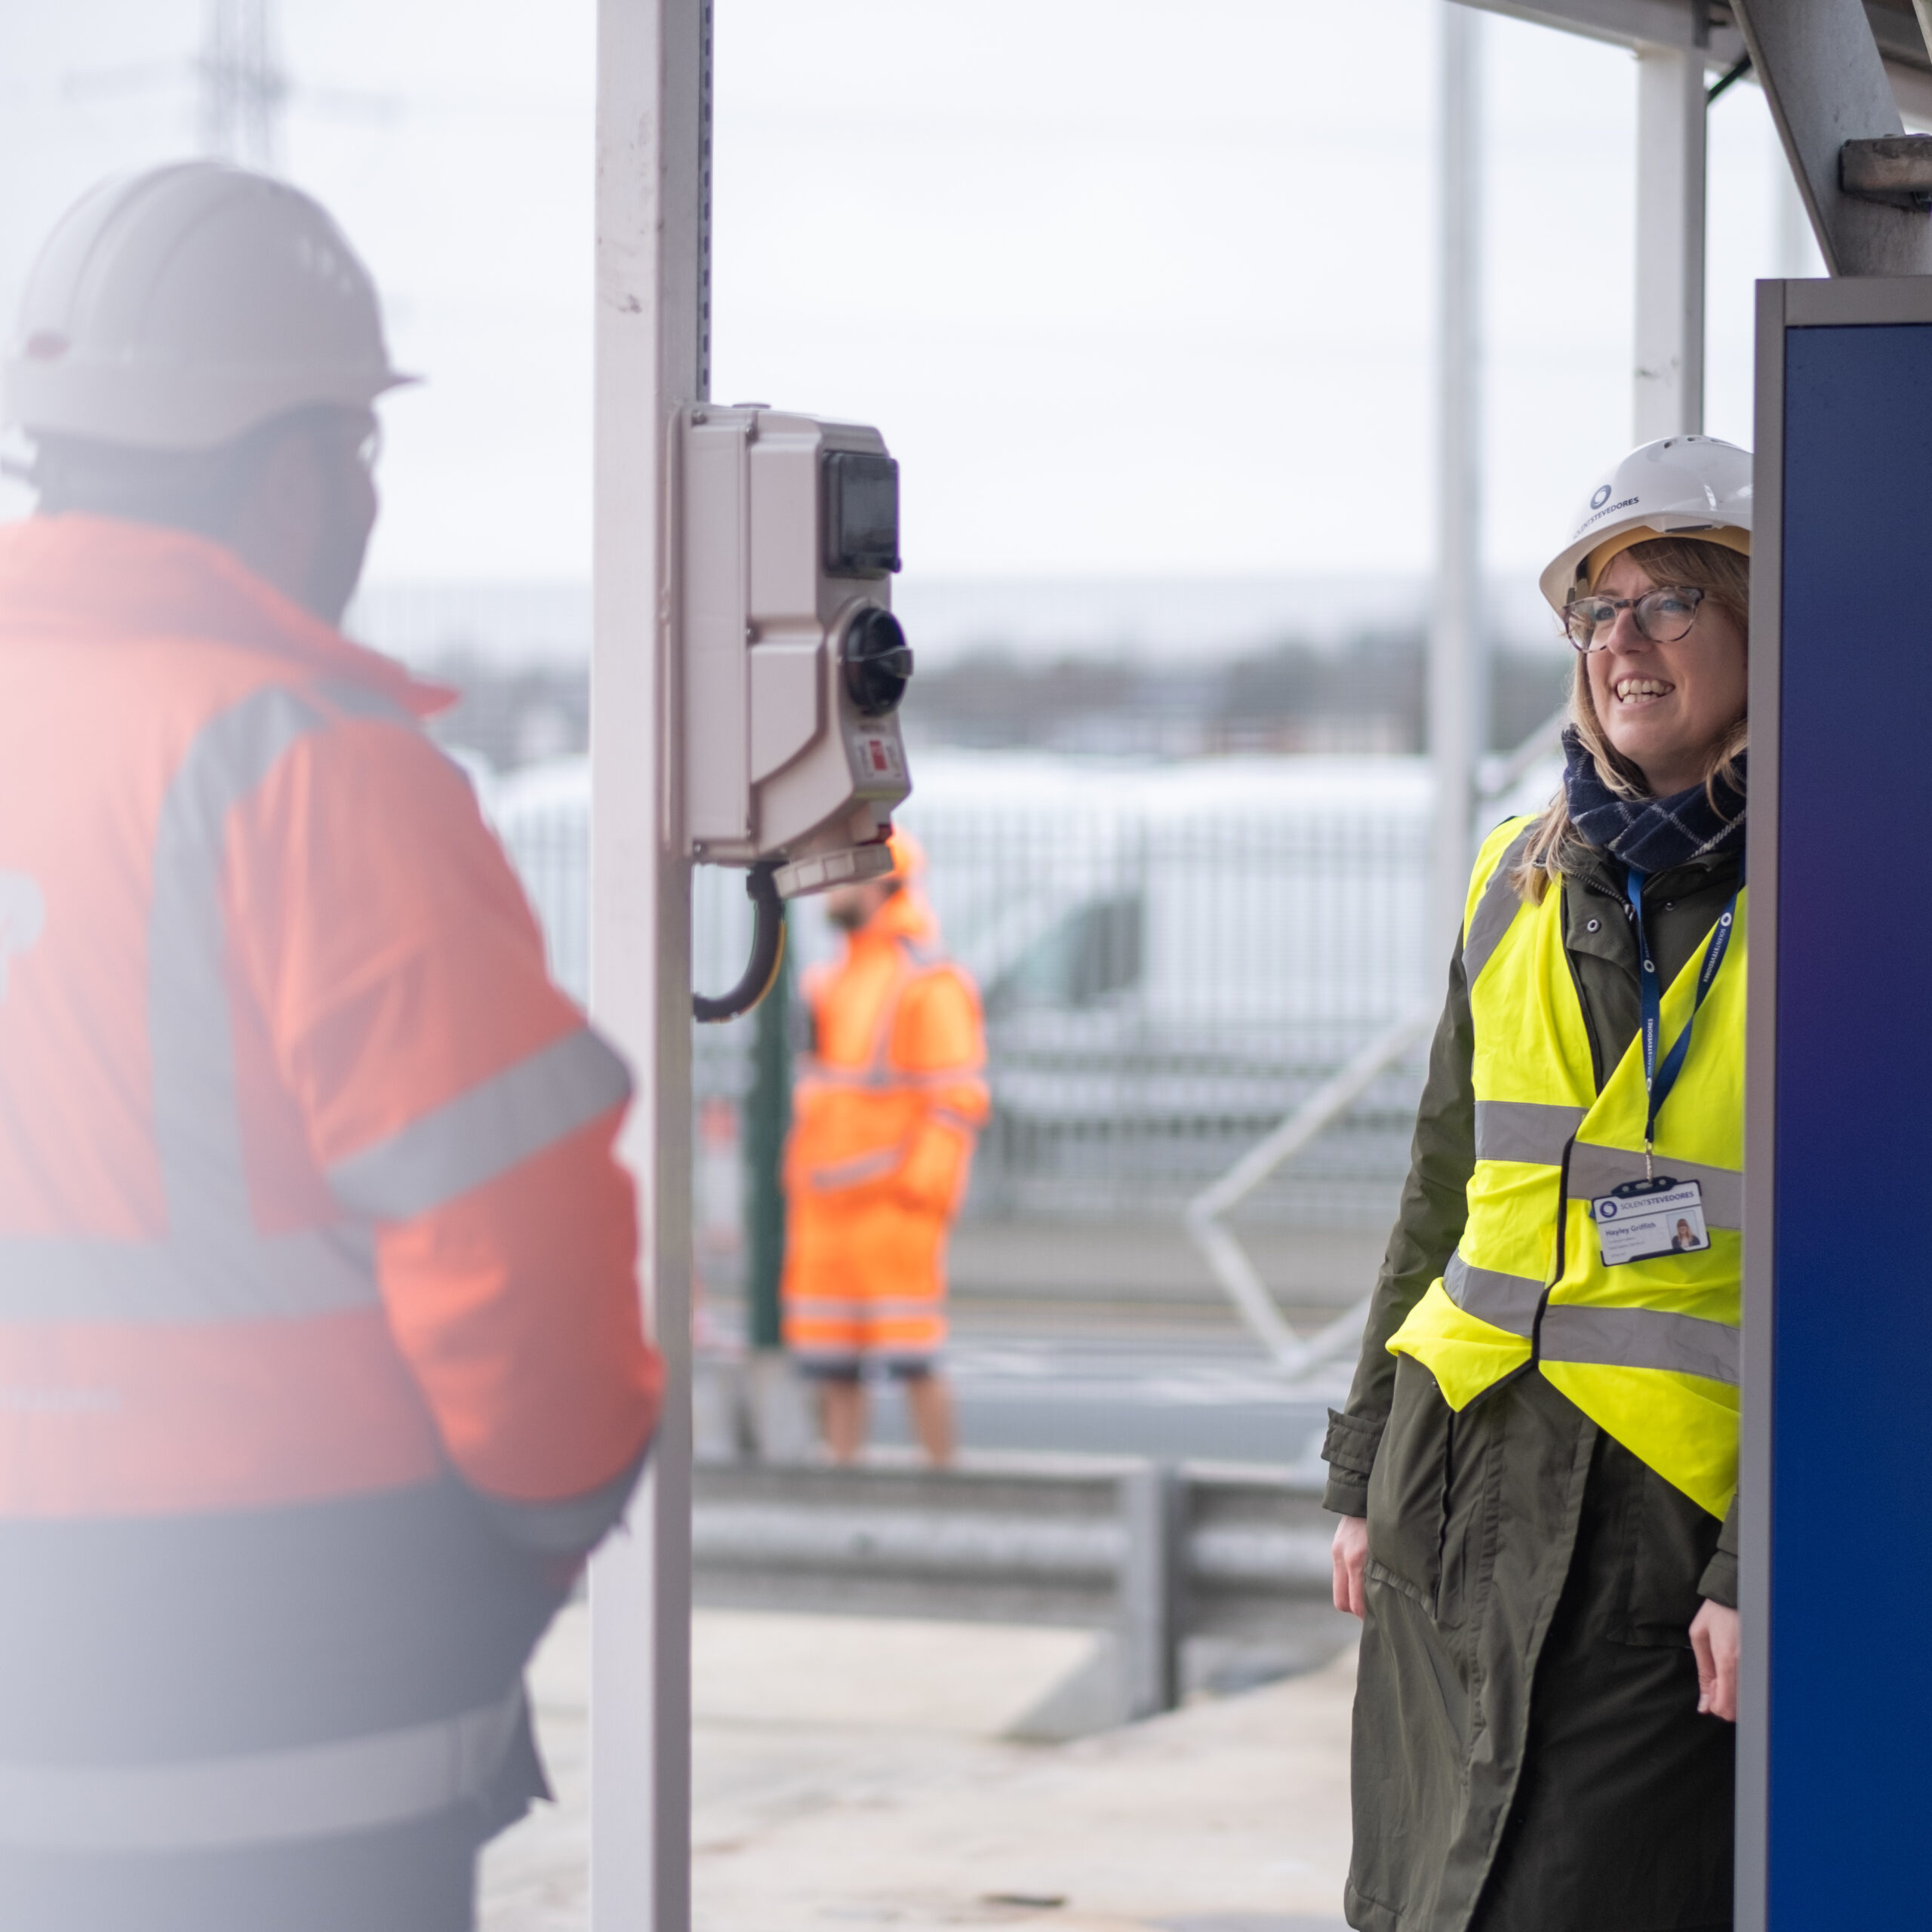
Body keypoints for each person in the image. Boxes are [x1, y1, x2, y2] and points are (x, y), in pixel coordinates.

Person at [0, 162, 661, 1930]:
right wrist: (525, 1536)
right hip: (276, 1669)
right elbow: (523, 1263)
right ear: (295, 470)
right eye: (358, 452)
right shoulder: (309, 766)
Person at [1324, 435, 1751, 1932]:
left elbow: (1880, 1282)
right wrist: (1359, 1468)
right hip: (1457, 1491)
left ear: (1766, 624)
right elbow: (1440, 1191)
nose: (1620, 642)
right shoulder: (1518, 872)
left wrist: (1757, 1557)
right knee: (1419, 1892)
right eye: (1594, 611)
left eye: (1668, 602)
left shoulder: (1851, 885)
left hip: (1661, 1531)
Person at [781, 829, 988, 1463]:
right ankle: (844, 1497)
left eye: (841, 876)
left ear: (879, 883)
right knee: (832, 1370)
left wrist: (921, 1197)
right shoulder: (833, 979)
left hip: (888, 1210)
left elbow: (956, 1101)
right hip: (826, 1209)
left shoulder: (925, 982)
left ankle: (944, 1491)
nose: (828, 889)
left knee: (914, 1360)